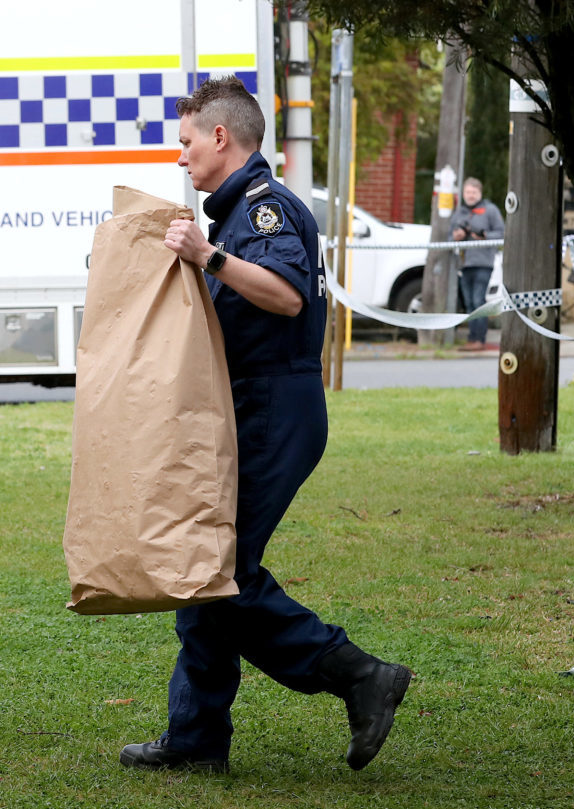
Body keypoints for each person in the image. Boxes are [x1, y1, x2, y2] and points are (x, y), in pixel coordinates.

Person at [118, 76, 411, 775]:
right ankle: (194, 738)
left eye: (187, 140)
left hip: (277, 408)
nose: (179, 156)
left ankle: (358, 673)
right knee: (207, 570)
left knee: (218, 571)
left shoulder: (265, 209)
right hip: (251, 406)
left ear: (221, 137)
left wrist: (208, 258)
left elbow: (281, 296)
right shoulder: (236, 216)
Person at [450, 178, 505, 350]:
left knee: (478, 300)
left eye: (473, 192)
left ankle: (479, 339)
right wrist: (455, 236)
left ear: (480, 193)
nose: (470, 195)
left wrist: (485, 236)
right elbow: (447, 237)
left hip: (483, 263)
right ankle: (472, 337)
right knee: (468, 302)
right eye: (468, 192)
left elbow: (502, 233)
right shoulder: (459, 213)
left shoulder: (490, 210)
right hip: (464, 265)